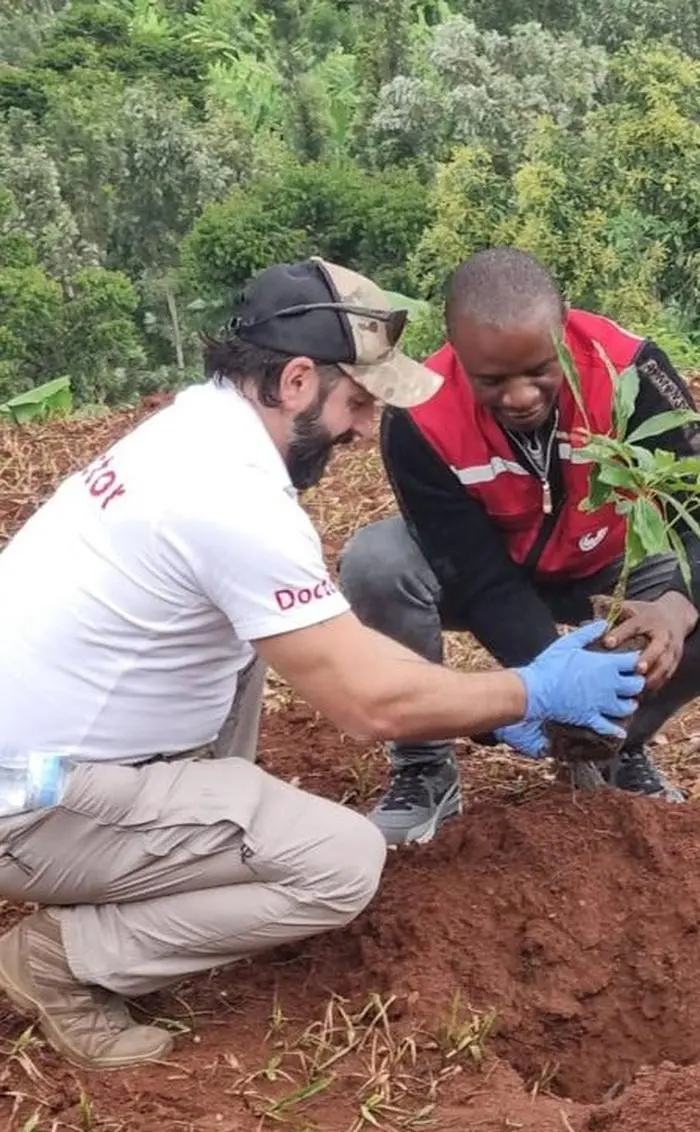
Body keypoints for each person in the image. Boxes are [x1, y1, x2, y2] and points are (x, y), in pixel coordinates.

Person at [0, 256, 644, 1070]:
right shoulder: (231, 498)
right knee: (339, 864)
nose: (366, 429)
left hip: (42, 750)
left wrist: (485, 696)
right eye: (359, 402)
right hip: (30, 798)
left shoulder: (193, 429)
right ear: (298, 380)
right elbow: (368, 706)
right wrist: (528, 689)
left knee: (245, 645)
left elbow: (330, 645)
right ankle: (64, 957)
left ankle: (166, 840)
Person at [340, 246, 700, 847]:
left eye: (540, 368)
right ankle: (425, 766)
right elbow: (478, 576)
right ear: (455, 349)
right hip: (495, 566)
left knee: (684, 588)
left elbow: (695, 503)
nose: (521, 395)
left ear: (564, 325)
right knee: (377, 564)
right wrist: (551, 687)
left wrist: (676, 600)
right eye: (492, 380)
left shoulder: (630, 369)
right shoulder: (420, 416)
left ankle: (620, 745)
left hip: (614, 561)